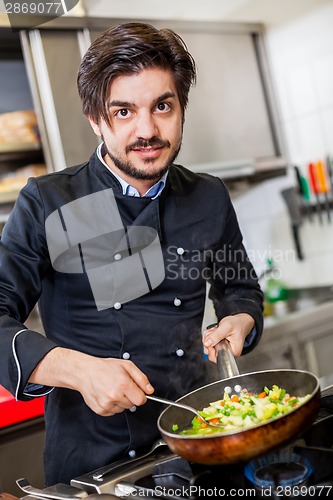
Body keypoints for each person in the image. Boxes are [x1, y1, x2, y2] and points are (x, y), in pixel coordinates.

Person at [0, 22, 263, 485]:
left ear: (182, 108)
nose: (148, 130)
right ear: (96, 119)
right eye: (123, 111)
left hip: (200, 442)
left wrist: (240, 320)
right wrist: (76, 369)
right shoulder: (49, 201)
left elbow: (240, 288)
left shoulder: (208, 196)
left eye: (163, 106)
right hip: (96, 467)